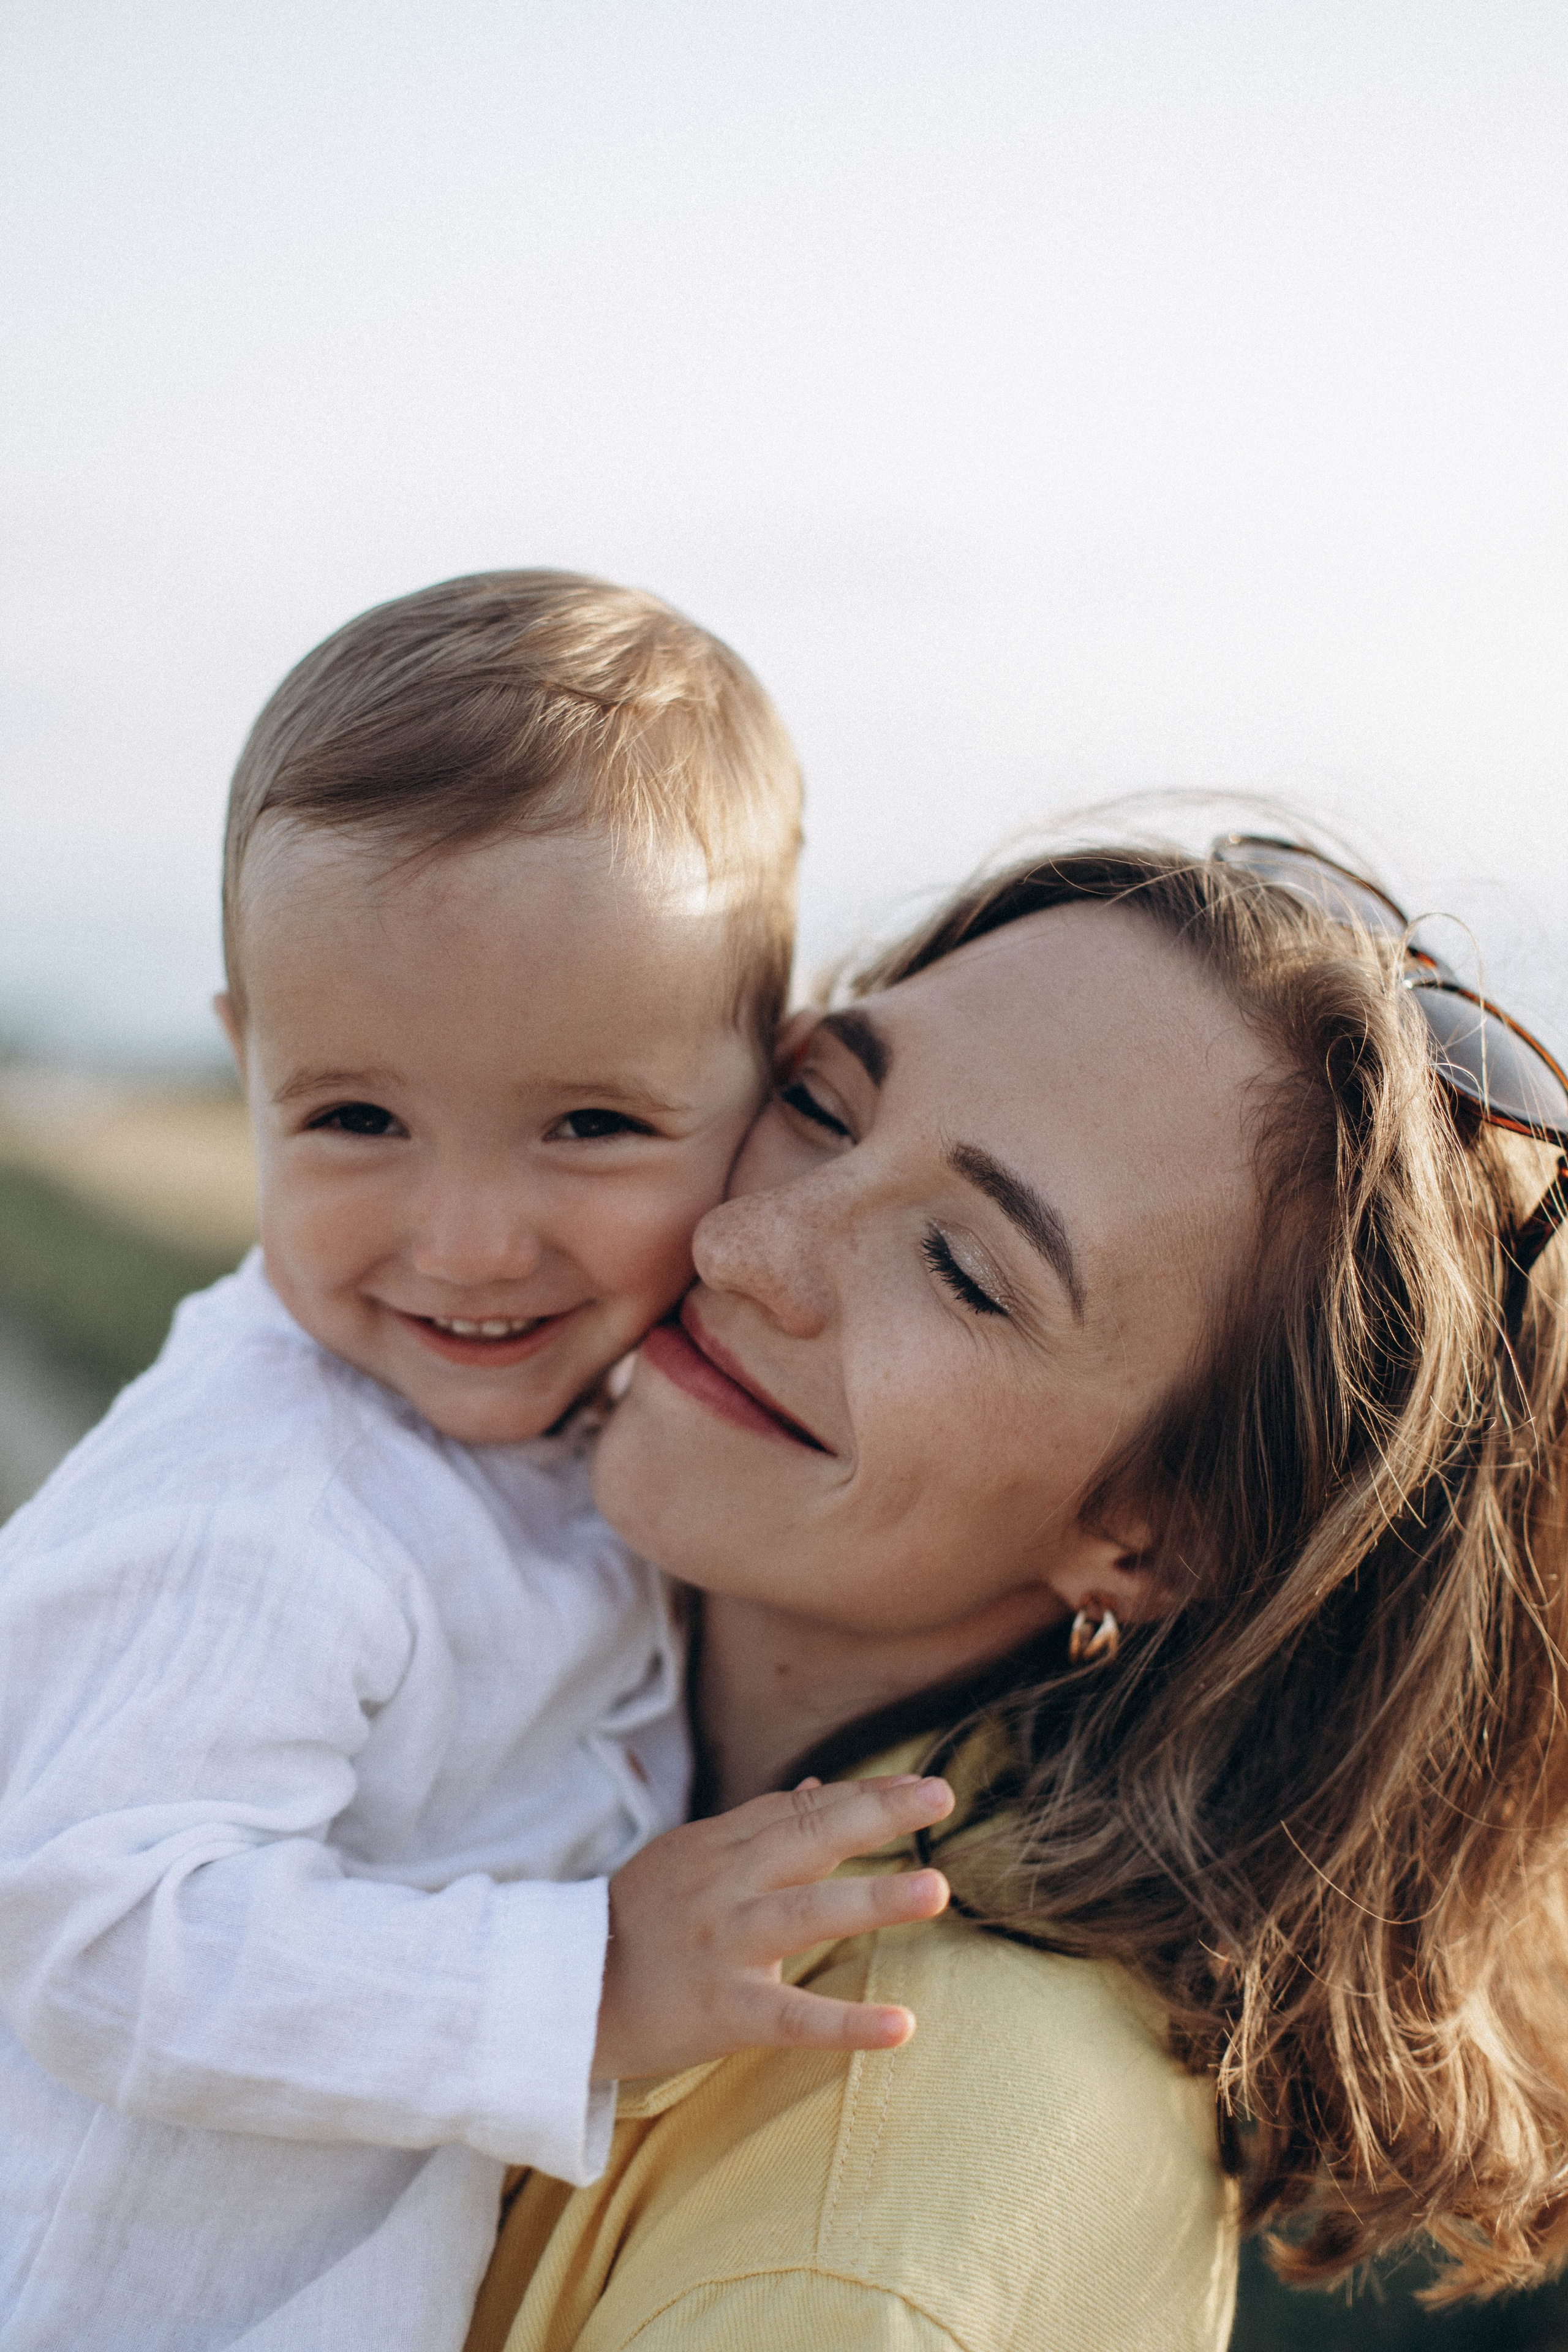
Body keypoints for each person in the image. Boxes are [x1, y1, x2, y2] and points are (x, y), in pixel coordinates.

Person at [0, 573, 954, 2352]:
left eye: (590, 1125)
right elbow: (96, 1939)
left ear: (764, 1092)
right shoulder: (260, 1502)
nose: (468, 1243)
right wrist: (585, 1988)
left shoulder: (608, 1429)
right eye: (355, 1118)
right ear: (246, 1064)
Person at [469, 839, 1568, 2352]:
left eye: (962, 1271)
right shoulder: (507, 1697)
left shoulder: (857, 2242)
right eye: (816, 1106)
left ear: (1153, 1535)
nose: (742, 1245)